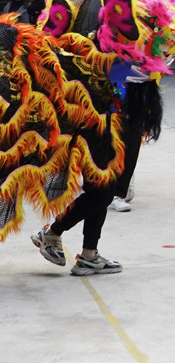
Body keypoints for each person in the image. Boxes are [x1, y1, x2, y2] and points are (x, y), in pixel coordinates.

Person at [31, 81, 159, 275]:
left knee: (105, 187)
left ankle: (89, 254)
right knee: (102, 192)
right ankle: (51, 234)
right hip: (95, 116)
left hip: (123, 112)